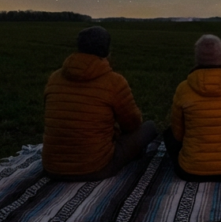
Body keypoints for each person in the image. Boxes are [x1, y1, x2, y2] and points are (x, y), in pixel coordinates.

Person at [42, 26, 156, 181]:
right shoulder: (114, 81)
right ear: (107, 51)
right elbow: (132, 124)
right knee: (149, 128)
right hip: (95, 168)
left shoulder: (54, 78)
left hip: (52, 168)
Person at [164, 34, 221, 181]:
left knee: (168, 134)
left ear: (197, 58)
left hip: (188, 171)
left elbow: (177, 135)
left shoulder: (183, 88)